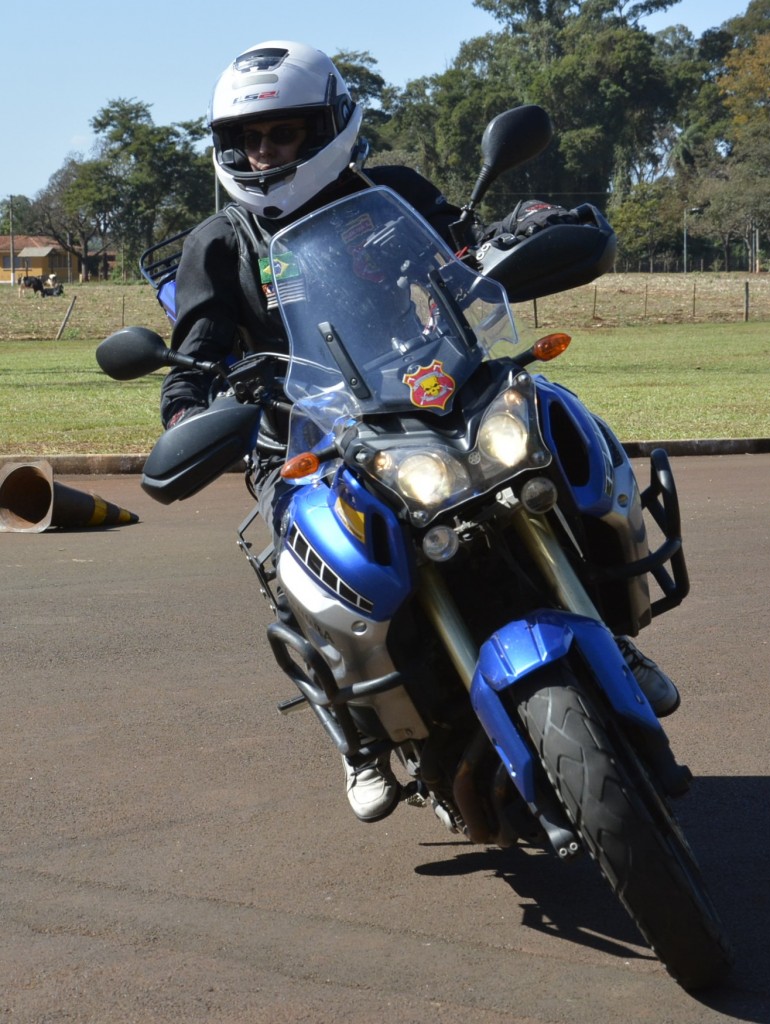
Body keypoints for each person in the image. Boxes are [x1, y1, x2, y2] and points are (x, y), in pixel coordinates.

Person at [160, 39, 679, 825]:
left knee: (550, 430)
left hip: (434, 392)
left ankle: (609, 625)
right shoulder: (218, 244)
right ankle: (361, 738)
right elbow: (192, 356)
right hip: (306, 435)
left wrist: (528, 223)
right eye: (247, 139)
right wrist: (189, 410)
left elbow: (460, 246)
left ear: (330, 125)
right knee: (301, 569)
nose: (263, 152)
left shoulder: (388, 191)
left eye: (283, 134)